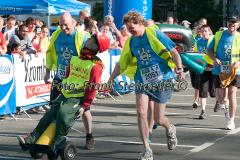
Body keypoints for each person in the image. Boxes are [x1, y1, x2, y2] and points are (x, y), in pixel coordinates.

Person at [108, 11, 184, 160]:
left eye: (132, 28)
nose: (130, 31)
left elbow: (174, 51)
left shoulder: (153, 34)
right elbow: (121, 63)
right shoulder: (131, 42)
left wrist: (179, 68)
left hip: (162, 79)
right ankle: (147, 149)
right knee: (141, 112)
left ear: (140, 23)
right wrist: (111, 79)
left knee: (158, 118)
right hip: (142, 80)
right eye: (128, 29)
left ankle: (170, 127)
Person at [17, 32, 110, 153]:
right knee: (48, 115)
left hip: (78, 98)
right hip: (65, 95)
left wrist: (85, 105)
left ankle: (57, 142)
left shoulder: (96, 66)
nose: (89, 40)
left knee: (63, 115)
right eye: (91, 38)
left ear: (96, 47)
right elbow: (67, 76)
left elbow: (92, 88)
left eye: (93, 40)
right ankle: (31, 139)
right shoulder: (75, 59)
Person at [43, 12, 96, 149]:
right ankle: (50, 138)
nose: (63, 28)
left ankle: (89, 136)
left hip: (77, 79)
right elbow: (50, 53)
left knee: (84, 110)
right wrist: (48, 72)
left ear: (73, 22)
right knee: (53, 108)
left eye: (65, 24)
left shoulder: (82, 36)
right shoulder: (56, 35)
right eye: (60, 25)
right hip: (60, 77)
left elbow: (91, 58)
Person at [207, 16, 240, 130]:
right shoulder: (218, 35)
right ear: (227, 23)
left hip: (235, 70)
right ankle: (224, 105)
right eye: (231, 22)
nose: (232, 24)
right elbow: (209, 50)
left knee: (232, 94)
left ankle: (231, 120)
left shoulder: (239, 37)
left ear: (238, 25)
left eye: (235, 23)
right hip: (219, 69)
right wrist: (214, 59)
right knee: (221, 98)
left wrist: (239, 62)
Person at [194, 25, 216, 119]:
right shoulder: (198, 42)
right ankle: (202, 110)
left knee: (213, 92)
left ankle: (221, 102)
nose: (204, 33)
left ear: (209, 31)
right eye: (202, 31)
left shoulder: (213, 40)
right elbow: (195, 54)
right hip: (203, 69)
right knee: (203, 90)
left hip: (213, 69)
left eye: (205, 31)